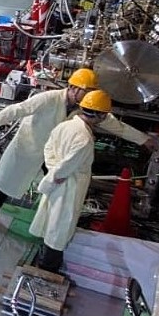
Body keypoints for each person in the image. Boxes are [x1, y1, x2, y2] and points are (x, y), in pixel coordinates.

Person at [0, 67, 159, 233]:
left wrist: (143, 139)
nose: (89, 96)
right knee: (5, 182)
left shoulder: (86, 107)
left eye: (92, 92)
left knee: (56, 188)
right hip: (29, 148)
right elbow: (17, 110)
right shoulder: (49, 98)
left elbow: (115, 125)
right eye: (87, 91)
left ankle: (46, 222)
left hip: (55, 155)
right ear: (73, 88)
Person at [28, 90, 113, 272]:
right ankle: (47, 269)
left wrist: (51, 171)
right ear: (101, 115)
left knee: (51, 222)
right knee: (59, 229)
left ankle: (43, 260)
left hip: (58, 181)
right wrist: (52, 180)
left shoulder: (65, 126)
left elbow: (48, 149)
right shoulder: (84, 139)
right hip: (67, 186)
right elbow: (66, 167)